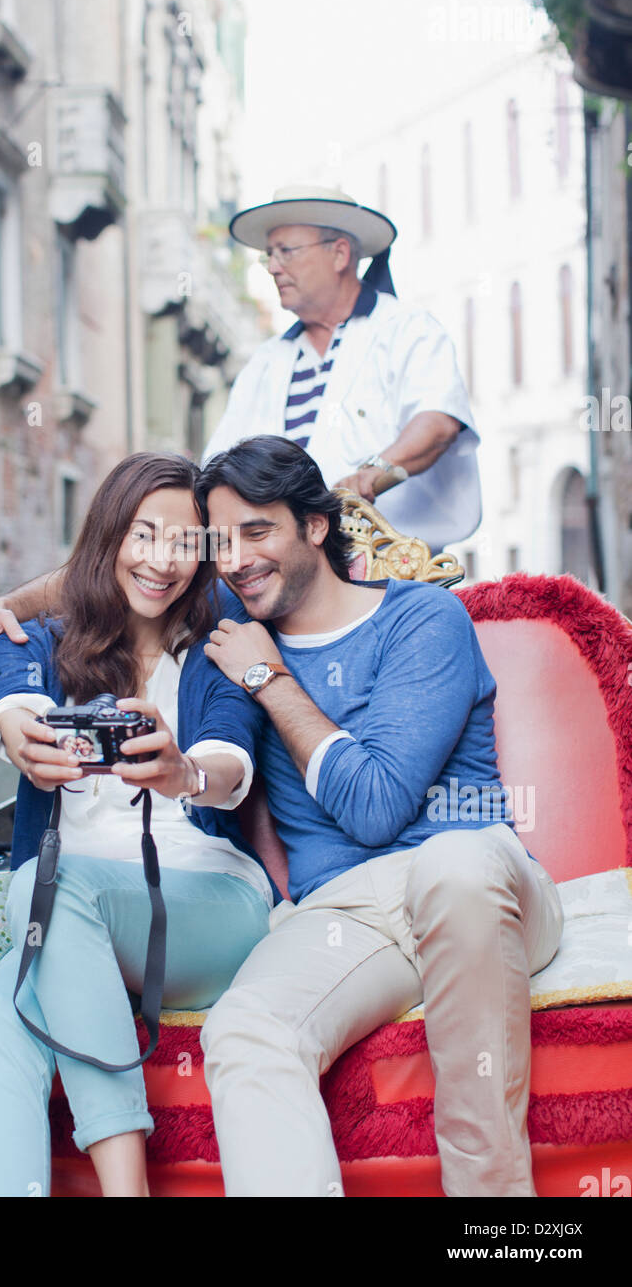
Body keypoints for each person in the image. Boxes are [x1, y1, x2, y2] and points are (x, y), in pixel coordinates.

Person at [190, 435, 563, 1197]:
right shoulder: (231, 625)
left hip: (479, 882)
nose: (235, 559)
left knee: (449, 867)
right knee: (245, 1029)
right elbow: (113, 561)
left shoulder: (422, 618)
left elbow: (375, 804)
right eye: (221, 542)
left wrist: (268, 676)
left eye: (257, 531)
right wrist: (8, 609)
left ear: (316, 526)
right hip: (348, 915)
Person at [0, 452, 274, 1197]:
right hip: (74, 916)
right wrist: (23, 737)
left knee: (47, 884)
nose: (160, 561)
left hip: (211, 907)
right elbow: (14, 702)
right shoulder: (40, 642)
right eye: (143, 534)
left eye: (182, 543)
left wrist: (182, 772)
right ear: (109, 537)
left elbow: (228, 758)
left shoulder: (220, 644)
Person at [202, 184, 481, 554]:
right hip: (285, 573)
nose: (272, 267)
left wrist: (372, 474)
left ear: (339, 254)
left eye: (286, 251)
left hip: (393, 568)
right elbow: (217, 466)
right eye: (269, 254)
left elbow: (439, 423)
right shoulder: (265, 362)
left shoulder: (407, 329)